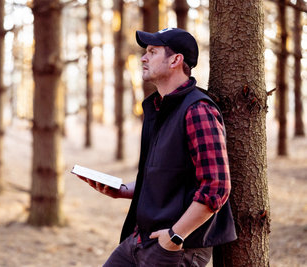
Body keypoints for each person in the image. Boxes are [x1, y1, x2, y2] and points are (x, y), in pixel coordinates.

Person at [78, 27, 237, 266]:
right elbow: (166, 177)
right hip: (140, 239)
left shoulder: (198, 110)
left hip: (176, 247)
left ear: (175, 59)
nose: (143, 57)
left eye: (152, 52)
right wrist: (122, 190)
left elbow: (216, 188)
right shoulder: (160, 108)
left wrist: (174, 236)